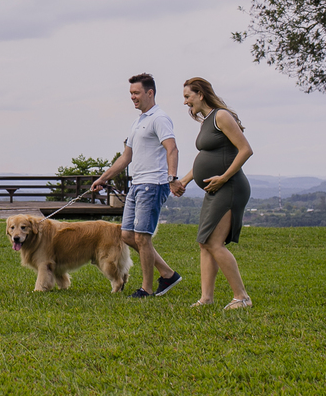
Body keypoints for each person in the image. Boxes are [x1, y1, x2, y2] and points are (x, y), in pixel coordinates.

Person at [91, 73, 181, 298]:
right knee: (127, 235)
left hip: (153, 184)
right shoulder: (139, 121)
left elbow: (172, 148)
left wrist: (172, 178)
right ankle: (168, 274)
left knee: (142, 237)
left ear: (150, 93)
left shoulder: (159, 118)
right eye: (131, 93)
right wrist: (103, 178)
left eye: (136, 93)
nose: (132, 97)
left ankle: (147, 289)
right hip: (137, 184)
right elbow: (126, 157)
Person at [171, 77, 253, 310]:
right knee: (204, 242)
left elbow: (246, 150)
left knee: (215, 243)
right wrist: (184, 181)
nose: (186, 102)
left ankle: (242, 297)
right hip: (215, 188)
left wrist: (224, 177)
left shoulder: (221, 116)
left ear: (200, 94)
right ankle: (206, 298)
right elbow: (204, 159)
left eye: (188, 97)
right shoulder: (207, 121)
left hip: (230, 187)